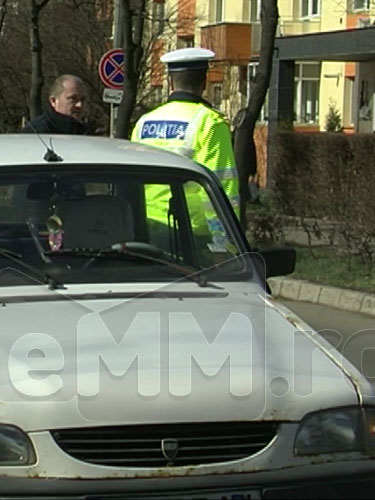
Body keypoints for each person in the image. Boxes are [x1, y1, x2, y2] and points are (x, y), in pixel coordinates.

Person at [131, 47, 239, 214]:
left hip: (147, 225)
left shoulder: (144, 122)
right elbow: (222, 184)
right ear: (204, 82)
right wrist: (224, 238)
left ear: (171, 82)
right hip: (191, 230)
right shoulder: (210, 123)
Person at [21, 74, 88, 134]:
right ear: (53, 101)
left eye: (83, 99)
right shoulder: (35, 133)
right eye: (73, 99)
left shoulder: (84, 132)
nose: (79, 105)